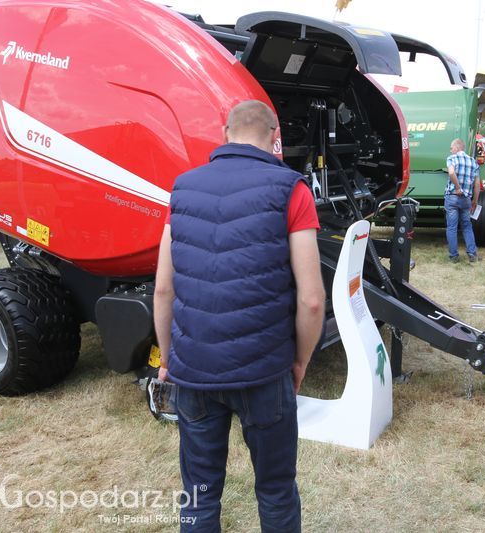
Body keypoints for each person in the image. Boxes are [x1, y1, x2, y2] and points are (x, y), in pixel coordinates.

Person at [153, 100, 325, 532]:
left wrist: (169, 360)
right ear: (274, 136)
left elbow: (163, 288)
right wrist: (301, 360)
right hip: (265, 372)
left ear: (224, 131)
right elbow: (312, 300)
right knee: (275, 491)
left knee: (200, 494)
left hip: (194, 373)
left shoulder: (182, 189)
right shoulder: (292, 189)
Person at [445, 138, 479, 263]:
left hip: (453, 197)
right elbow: (477, 183)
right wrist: (475, 201)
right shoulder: (473, 161)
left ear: (457, 148)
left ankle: (454, 256)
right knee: (467, 226)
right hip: (466, 200)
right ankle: (472, 253)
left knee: (452, 227)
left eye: (451, 147)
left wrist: (458, 187)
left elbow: (451, 172)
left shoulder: (452, 158)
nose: (450, 150)